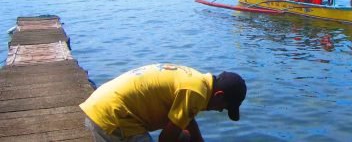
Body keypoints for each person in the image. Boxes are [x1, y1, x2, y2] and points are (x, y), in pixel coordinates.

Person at [80, 63, 246, 142]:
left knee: (184, 137)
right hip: (115, 118)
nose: (217, 111)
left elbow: (187, 120)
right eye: (221, 109)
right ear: (218, 95)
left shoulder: (198, 81)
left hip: (101, 106)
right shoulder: (196, 93)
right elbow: (165, 139)